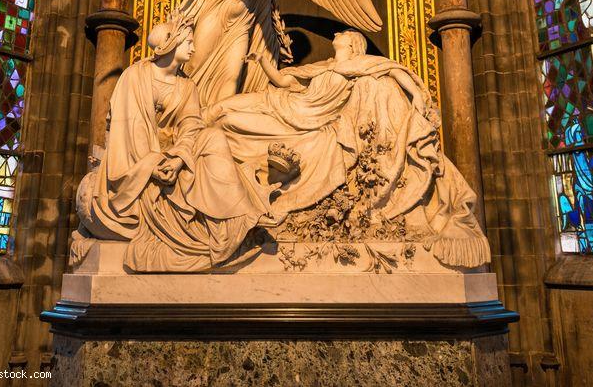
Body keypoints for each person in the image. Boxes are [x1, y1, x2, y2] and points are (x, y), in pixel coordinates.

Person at [209, 30, 490, 268]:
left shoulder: (364, 67)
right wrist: (263, 62)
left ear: (354, 44)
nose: (336, 34)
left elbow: (394, 69)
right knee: (222, 111)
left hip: (309, 121)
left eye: (342, 33)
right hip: (285, 105)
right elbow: (284, 81)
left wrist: (417, 94)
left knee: (230, 121)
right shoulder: (323, 66)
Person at [74, 13, 273, 272]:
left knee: (213, 136)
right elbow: (128, 129)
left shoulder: (187, 86)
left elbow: (191, 125)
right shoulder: (135, 76)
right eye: (188, 41)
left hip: (174, 153)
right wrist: (154, 163)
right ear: (172, 42)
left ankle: (234, 220)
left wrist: (179, 157)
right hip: (138, 160)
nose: (193, 47)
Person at [177, 0, 354, 108]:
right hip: (216, 14)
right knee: (194, 64)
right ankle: (185, 113)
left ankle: (220, 117)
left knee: (232, 74)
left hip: (241, 24)